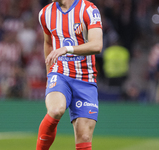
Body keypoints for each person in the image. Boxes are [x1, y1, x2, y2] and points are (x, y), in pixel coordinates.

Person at [37, 0, 103, 149]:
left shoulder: (89, 9)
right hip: (60, 73)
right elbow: (48, 43)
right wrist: (49, 75)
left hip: (86, 78)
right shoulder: (45, 13)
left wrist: (67, 49)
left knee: (84, 137)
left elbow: (97, 45)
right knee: (55, 110)